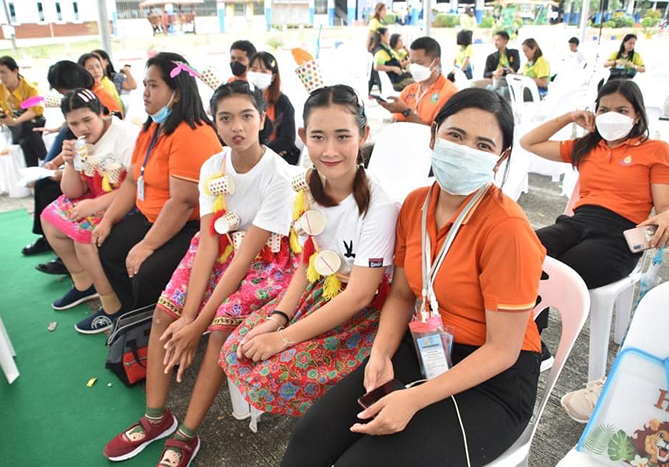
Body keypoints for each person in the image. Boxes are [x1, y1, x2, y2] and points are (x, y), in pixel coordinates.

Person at [282, 88, 545, 467]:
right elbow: (403, 294)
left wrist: (413, 399)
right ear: (434, 136)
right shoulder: (416, 205)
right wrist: (380, 354)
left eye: (483, 145)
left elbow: (502, 350)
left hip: (491, 380)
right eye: (456, 136)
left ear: (500, 158)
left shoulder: (508, 229)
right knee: (310, 439)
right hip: (425, 345)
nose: (465, 150)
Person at [103, 80, 296, 467]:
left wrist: (200, 324)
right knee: (164, 314)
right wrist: (188, 315)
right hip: (218, 249)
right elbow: (208, 242)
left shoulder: (280, 175)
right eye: (225, 118)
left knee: (219, 332)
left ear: (262, 119)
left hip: (264, 263)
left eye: (246, 116)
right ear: (215, 123)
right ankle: (156, 418)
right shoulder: (213, 166)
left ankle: (187, 434)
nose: (236, 127)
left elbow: (245, 258)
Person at [220, 84, 400, 417]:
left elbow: (360, 296)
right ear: (303, 136)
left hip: (364, 314)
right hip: (321, 292)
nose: (330, 150)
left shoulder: (381, 206)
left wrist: (282, 339)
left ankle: (326, 419)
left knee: (269, 377)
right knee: (235, 350)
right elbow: (308, 263)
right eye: (318, 137)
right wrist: (278, 318)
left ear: (363, 135)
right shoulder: (307, 188)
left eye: (343, 136)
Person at [520, 79, 669, 380]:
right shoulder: (587, 146)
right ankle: (528, 341)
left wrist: (666, 218)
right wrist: (568, 117)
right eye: (604, 109)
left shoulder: (655, 150)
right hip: (577, 222)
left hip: (620, 234)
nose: (611, 116)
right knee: (521, 252)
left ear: (637, 115)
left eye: (621, 110)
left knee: (557, 273)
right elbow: (528, 142)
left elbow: (664, 208)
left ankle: (529, 346)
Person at [80, 52, 222, 334]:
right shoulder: (153, 127)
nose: (145, 92)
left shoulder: (192, 133)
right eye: (145, 84)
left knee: (146, 270)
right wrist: (108, 219)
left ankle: (149, 331)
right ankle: (131, 317)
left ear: (177, 93)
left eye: (153, 85)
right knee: (109, 248)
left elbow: (182, 203)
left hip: (192, 226)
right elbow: (133, 181)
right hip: (153, 216)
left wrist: (147, 245)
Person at [40, 89, 140, 313]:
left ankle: (111, 304)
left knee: (83, 235)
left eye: (87, 120)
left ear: (101, 113)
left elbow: (134, 186)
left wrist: (95, 205)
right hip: (97, 197)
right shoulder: (80, 142)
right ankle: (84, 284)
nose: (82, 128)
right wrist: (69, 163)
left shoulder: (125, 136)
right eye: (74, 124)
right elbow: (73, 191)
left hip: (126, 202)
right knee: (49, 217)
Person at [377, 37, 458, 126]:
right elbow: (398, 121)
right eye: (412, 62)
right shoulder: (409, 90)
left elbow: (436, 132)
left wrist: (406, 112)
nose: (415, 67)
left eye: (419, 63)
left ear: (436, 62)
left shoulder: (449, 94)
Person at [0, 56, 47, 168]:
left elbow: (33, 110)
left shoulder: (30, 87)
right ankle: (47, 160)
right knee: (27, 133)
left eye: (3, 72)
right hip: (15, 126)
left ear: (15, 71)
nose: (0, 76)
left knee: (25, 138)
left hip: (33, 122)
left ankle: (35, 169)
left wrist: (15, 121)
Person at [247, 51, 301, 165]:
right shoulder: (242, 99)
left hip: (276, 160)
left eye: (263, 71)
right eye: (254, 70)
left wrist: (263, 152)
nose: (258, 74)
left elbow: (287, 139)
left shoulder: (282, 102)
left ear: (273, 76)